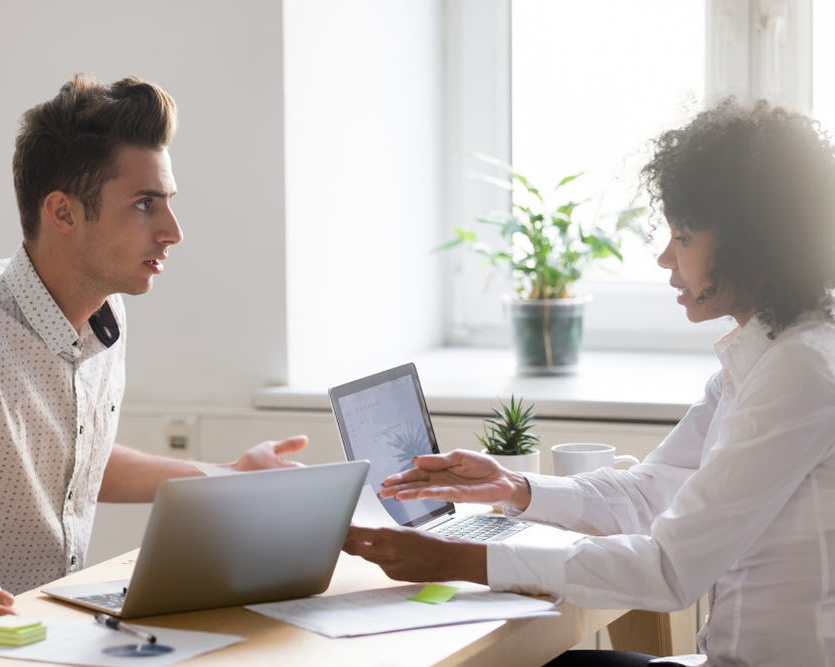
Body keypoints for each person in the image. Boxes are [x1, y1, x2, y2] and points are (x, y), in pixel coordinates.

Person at [343, 97, 835, 667]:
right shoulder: (763, 354)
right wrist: (513, 488)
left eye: (683, 238)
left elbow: (667, 571)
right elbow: (652, 491)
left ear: (753, 244)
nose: (663, 259)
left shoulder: (800, 369)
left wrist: (454, 560)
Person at [0, 74, 307, 666]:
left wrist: (222, 474)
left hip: (35, 649)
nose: (173, 232)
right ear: (61, 211)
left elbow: (75, 461)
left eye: (168, 202)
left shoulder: (106, 317)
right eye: (144, 204)